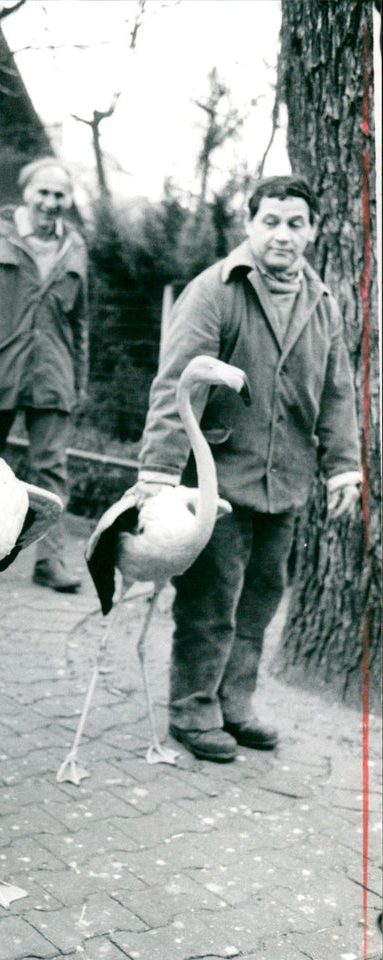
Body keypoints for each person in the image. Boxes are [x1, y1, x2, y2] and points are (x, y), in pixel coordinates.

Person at [132, 174, 361, 763]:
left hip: (286, 481)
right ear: (250, 224)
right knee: (211, 599)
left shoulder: (321, 302)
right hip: (218, 481)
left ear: (313, 231)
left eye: (296, 224)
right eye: (271, 222)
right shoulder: (216, 290)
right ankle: (193, 710)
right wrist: (158, 473)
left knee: (260, 599)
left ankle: (236, 704)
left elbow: (337, 392)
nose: (283, 235)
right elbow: (178, 382)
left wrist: (343, 467)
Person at [0, 156, 89, 593]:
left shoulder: (76, 247)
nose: (51, 202)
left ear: (68, 200)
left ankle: (50, 562)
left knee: (51, 470)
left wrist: (78, 380)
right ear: (26, 193)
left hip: (53, 374)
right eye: (43, 193)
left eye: (60, 195)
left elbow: (80, 321)